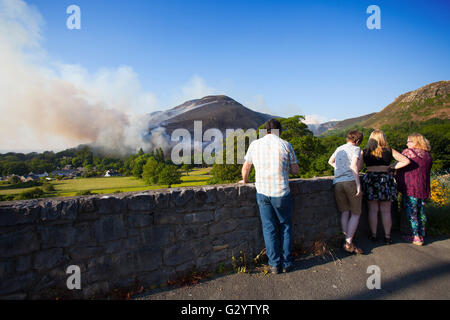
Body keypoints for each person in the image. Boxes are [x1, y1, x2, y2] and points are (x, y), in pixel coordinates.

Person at [239, 119, 299, 274]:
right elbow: (295, 170)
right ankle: (286, 263)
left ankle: (274, 264)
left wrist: (244, 181)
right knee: (285, 226)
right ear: (280, 130)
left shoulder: (255, 145)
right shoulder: (286, 145)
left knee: (269, 228)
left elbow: (246, 168)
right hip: (281, 192)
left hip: (263, 192)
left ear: (266, 131)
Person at [362, 130, 410, 244]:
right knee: (386, 211)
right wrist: (392, 167)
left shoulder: (365, 151)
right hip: (385, 180)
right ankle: (387, 237)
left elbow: (358, 167)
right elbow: (406, 161)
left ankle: (374, 235)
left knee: (373, 210)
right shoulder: (389, 150)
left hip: (371, 180)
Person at [328, 130, 364, 254]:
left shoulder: (339, 148)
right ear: (358, 141)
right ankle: (348, 243)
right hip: (350, 181)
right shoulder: (356, 149)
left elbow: (330, 161)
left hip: (337, 183)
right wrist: (358, 185)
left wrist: (340, 170)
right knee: (356, 213)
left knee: (345, 212)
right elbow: (354, 166)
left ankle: (346, 239)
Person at [396, 133, 432, 246]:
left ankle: (415, 237)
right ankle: (421, 234)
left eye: (408, 141)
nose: (407, 144)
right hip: (423, 187)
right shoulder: (427, 155)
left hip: (410, 186)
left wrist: (390, 168)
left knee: (412, 212)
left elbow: (399, 163)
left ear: (415, 142)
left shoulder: (409, 152)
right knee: (421, 211)